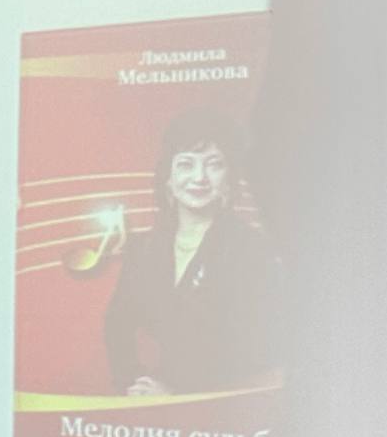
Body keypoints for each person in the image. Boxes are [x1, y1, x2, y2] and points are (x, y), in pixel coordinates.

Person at [102, 106, 280, 396]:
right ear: (168, 178)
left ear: (229, 177)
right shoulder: (143, 248)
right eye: (186, 164)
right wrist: (135, 384)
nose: (199, 177)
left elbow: (262, 350)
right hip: (156, 400)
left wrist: (180, 396)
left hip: (222, 405)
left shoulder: (251, 249)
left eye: (214, 164)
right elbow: (116, 325)